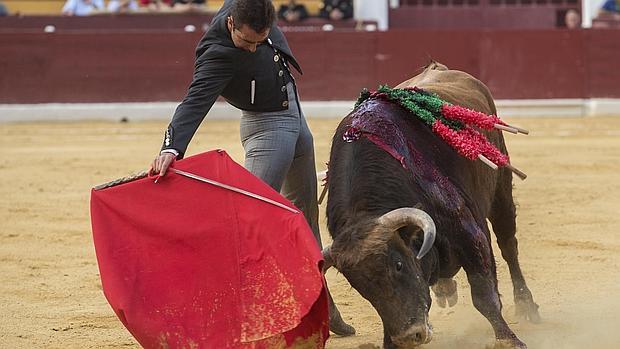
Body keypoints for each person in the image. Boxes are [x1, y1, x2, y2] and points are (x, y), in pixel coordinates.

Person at [149, 0, 356, 337]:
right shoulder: (218, 52)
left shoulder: (252, 9)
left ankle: (323, 308)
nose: (253, 48)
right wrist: (171, 147)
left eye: (260, 41)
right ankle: (224, 313)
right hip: (268, 129)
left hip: (296, 120)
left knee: (305, 220)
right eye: (246, 41)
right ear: (231, 23)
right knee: (247, 224)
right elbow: (195, 100)